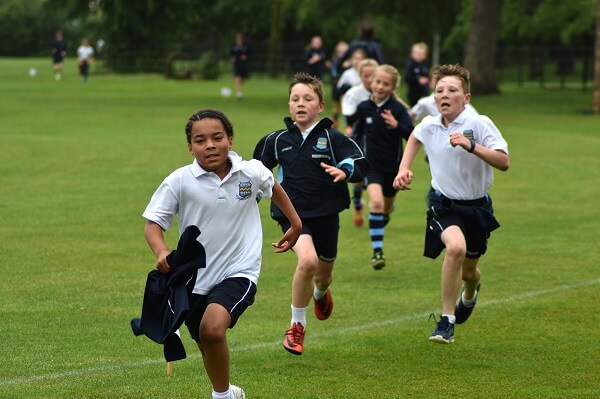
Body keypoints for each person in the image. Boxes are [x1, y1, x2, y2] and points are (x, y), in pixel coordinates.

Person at [143, 109, 302, 398]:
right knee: (207, 343)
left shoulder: (249, 171)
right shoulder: (180, 180)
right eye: (200, 140)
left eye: (217, 137)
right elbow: (154, 223)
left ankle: (220, 397)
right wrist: (162, 250)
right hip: (193, 279)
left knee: (213, 329)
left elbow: (272, 184)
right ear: (190, 147)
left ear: (230, 139)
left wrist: (295, 223)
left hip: (239, 271)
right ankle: (228, 393)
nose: (210, 145)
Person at [393, 64, 510, 344]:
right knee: (455, 248)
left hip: (477, 206)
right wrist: (403, 168)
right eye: (439, 90)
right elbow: (414, 138)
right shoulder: (430, 124)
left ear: (466, 98)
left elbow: (503, 161)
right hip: (443, 203)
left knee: (469, 271)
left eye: (452, 90)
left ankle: (470, 291)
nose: (444, 95)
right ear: (434, 97)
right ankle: (447, 321)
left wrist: (472, 146)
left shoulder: (479, 123)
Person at [254, 72, 366, 356]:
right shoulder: (276, 140)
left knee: (323, 275)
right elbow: (255, 173)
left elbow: (359, 161)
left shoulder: (332, 137)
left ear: (320, 106)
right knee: (307, 261)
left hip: (326, 215)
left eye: (308, 98)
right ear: (289, 105)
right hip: (293, 217)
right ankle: (296, 327)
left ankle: (320, 293)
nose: (300, 103)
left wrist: (345, 170)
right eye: (295, 99)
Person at [353, 64, 413, 270]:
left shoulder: (398, 109)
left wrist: (397, 125)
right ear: (371, 82)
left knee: (385, 207)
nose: (380, 86)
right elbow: (357, 134)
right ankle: (377, 252)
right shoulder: (363, 107)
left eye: (386, 84)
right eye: (377, 82)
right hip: (371, 167)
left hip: (394, 169)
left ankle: (386, 213)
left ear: (393, 86)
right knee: (376, 203)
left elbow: (412, 135)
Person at [340, 58, 379, 227]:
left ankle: (382, 204)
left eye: (373, 76)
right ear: (360, 76)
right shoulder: (354, 93)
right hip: (359, 137)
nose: (369, 79)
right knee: (358, 177)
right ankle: (358, 206)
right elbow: (350, 118)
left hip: (378, 140)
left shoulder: (384, 91)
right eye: (366, 76)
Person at [329, 40, 350, 128]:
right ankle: (334, 125)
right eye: (340, 51)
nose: (342, 53)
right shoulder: (336, 61)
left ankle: (348, 125)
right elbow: (334, 73)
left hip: (346, 87)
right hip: (336, 86)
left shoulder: (350, 61)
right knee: (336, 108)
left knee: (346, 106)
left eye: (344, 52)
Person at [404, 42, 431, 107]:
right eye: (417, 54)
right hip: (413, 92)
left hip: (424, 91)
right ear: (412, 54)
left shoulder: (426, 64)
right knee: (414, 107)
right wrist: (417, 80)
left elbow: (427, 76)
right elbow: (407, 77)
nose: (419, 56)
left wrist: (429, 80)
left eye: (421, 54)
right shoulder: (410, 64)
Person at [230, 33, 251, 100]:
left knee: (243, 79)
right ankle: (239, 92)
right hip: (236, 64)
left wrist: (246, 57)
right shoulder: (234, 46)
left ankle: (238, 89)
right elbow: (231, 53)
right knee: (237, 77)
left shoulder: (246, 46)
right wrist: (232, 58)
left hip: (244, 64)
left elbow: (250, 53)